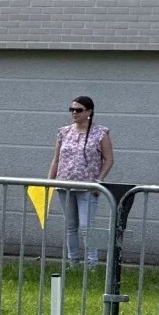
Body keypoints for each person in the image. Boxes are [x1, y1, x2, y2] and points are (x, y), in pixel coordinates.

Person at [48, 95, 113, 267]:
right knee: (71, 226)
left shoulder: (100, 133)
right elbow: (56, 159)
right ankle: (73, 262)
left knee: (88, 226)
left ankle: (93, 263)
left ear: (89, 112)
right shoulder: (63, 132)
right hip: (64, 185)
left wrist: (99, 180)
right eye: (72, 109)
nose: (74, 113)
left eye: (79, 110)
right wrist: (49, 181)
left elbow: (109, 159)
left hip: (87, 187)